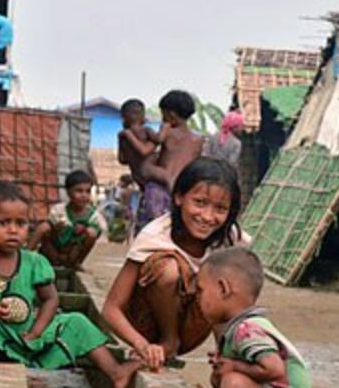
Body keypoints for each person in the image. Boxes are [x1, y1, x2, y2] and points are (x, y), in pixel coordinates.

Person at [0, 182, 141, 388]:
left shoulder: (35, 262)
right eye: (3, 223)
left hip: (31, 335)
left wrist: (37, 331)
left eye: (20, 224)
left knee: (76, 321)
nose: (13, 230)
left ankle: (115, 372)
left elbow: (50, 300)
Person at [102, 157, 248, 370]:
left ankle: (194, 349)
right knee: (168, 268)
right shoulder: (155, 234)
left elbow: (231, 304)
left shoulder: (231, 239)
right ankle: (168, 340)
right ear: (179, 197)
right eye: (199, 203)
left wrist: (227, 359)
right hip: (147, 327)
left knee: (227, 281)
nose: (208, 217)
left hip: (192, 329)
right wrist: (142, 345)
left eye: (220, 208)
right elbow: (111, 309)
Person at [197, 246, 311, 388]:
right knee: (222, 378)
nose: (197, 298)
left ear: (223, 288)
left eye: (201, 291)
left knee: (232, 383)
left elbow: (274, 368)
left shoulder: (247, 329)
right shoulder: (239, 326)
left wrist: (234, 366)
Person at [125, 90, 205, 232]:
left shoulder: (166, 133)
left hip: (159, 189)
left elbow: (146, 151)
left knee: (150, 232)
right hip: (182, 189)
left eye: (163, 114)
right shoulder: (198, 139)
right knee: (173, 231)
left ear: (171, 115)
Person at [28, 170, 105, 270]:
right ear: (68, 192)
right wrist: (57, 229)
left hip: (72, 254)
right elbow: (50, 232)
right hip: (53, 251)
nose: (84, 195)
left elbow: (96, 234)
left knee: (92, 233)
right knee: (44, 227)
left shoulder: (94, 216)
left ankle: (77, 263)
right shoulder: (59, 210)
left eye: (87, 191)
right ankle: (25, 257)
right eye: (79, 191)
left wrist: (83, 231)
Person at [203, 110, 244, 200]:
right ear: (234, 127)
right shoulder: (236, 143)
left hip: (207, 176)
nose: (242, 129)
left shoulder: (212, 138)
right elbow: (232, 164)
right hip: (224, 180)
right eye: (241, 126)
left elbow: (204, 156)